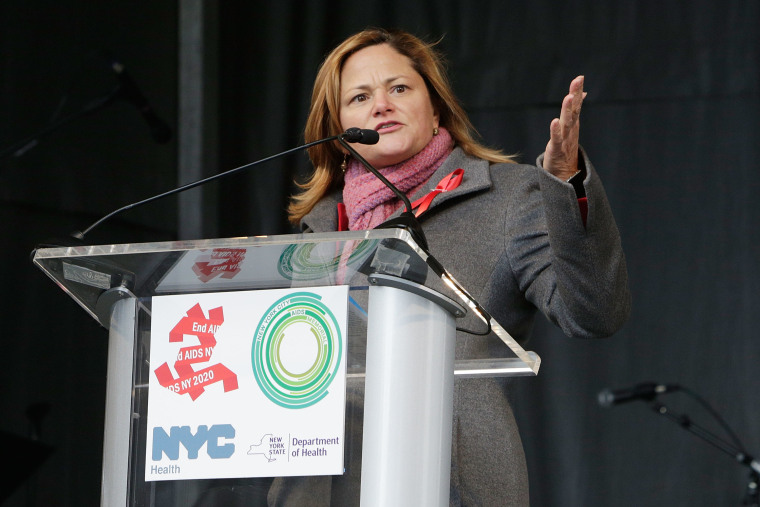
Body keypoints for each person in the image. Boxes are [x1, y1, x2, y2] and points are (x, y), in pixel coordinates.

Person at [274, 27, 631, 506]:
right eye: (359, 97)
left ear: (435, 106)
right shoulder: (320, 233)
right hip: (327, 487)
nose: (381, 105)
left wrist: (567, 186)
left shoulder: (507, 198)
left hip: (453, 482)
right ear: (338, 133)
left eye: (399, 88)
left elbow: (594, 312)